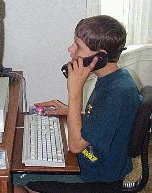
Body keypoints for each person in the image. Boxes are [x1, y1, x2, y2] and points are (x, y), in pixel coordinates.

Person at [14, 15, 142, 193]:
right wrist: (68, 110)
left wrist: (75, 92)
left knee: (15, 179)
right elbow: (104, 119)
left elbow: (75, 146)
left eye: (78, 46)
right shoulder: (113, 79)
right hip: (93, 163)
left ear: (100, 58)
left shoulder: (118, 92)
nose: (70, 49)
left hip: (97, 175)